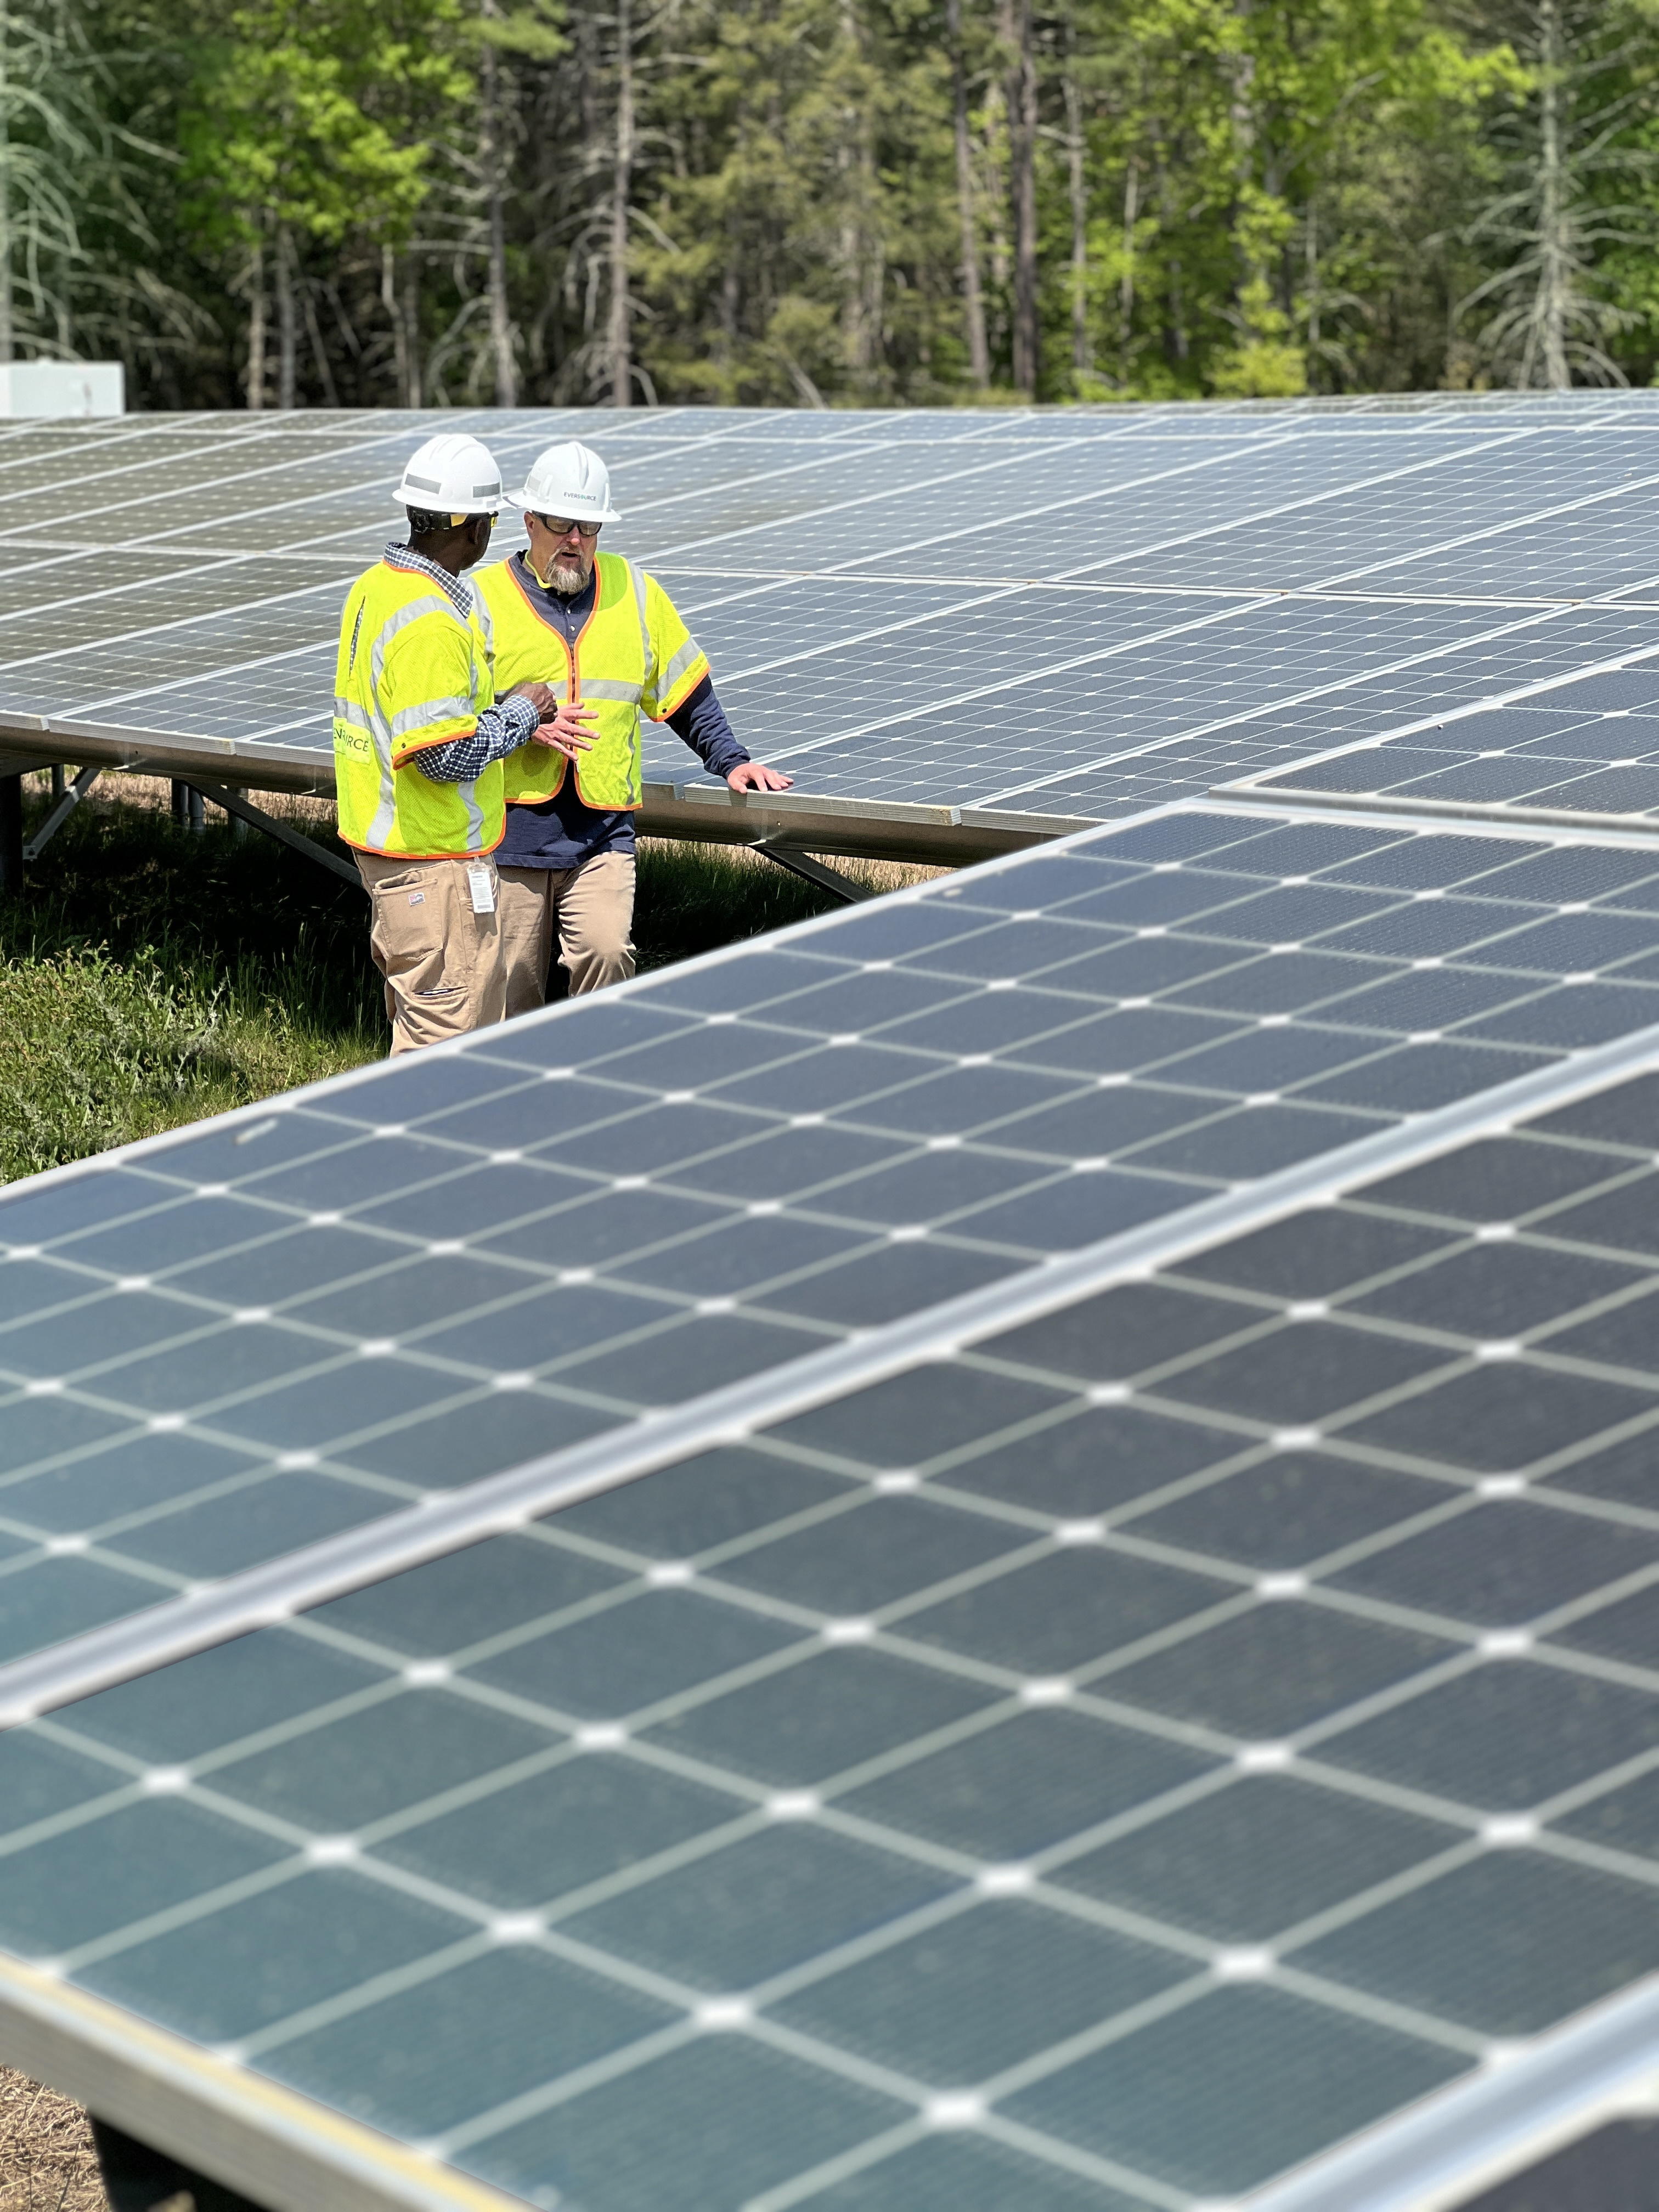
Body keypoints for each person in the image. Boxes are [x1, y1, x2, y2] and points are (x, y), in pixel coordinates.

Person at [473, 439, 794, 1014]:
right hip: (509, 834)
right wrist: (519, 724)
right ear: (529, 522)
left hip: (602, 832)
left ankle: (598, 1083)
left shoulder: (635, 591)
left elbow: (683, 689)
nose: (576, 540)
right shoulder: (482, 598)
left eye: (589, 527)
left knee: (607, 954)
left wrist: (731, 757)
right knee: (509, 990)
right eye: (562, 523)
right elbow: (450, 712)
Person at [331, 432, 574, 1054]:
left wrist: (492, 709)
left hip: (394, 855)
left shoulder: (376, 588)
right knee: (446, 1055)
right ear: (475, 530)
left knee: (420, 1033)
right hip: (432, 864)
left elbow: (414, 713)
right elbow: (443, 755)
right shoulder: (431, 621)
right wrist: (523, 713)